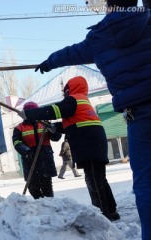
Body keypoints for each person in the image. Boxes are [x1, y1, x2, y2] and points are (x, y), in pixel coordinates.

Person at [34, 0, 150, 237]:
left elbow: (70, 54)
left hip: (138, 116)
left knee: (145, 184)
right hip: (100, 139)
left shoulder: (98, 39)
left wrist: (48, 62)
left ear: (109, 5)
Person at [19, 76, 120, 221]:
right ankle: (111, 211)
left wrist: (30, 114)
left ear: (71, 88)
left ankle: (103, 215)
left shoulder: (73, 99)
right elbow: (72, 123)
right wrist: (56, 127)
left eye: (65, 90)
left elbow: (55, 110)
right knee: (100, 179)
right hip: (94, 143)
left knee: (93, 181)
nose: (64, 93)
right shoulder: (82, 101)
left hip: (89, 145)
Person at [13, 101, 61, 199]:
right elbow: (17, 143)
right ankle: (40, 206)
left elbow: (56, 138)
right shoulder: (19, 128)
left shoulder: (45, 124)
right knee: (33, 188)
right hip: (30, 160)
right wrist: (26, 151)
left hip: (45, 160)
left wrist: (55, 131)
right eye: (28, 111)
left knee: (47, 188)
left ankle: (49, 207)